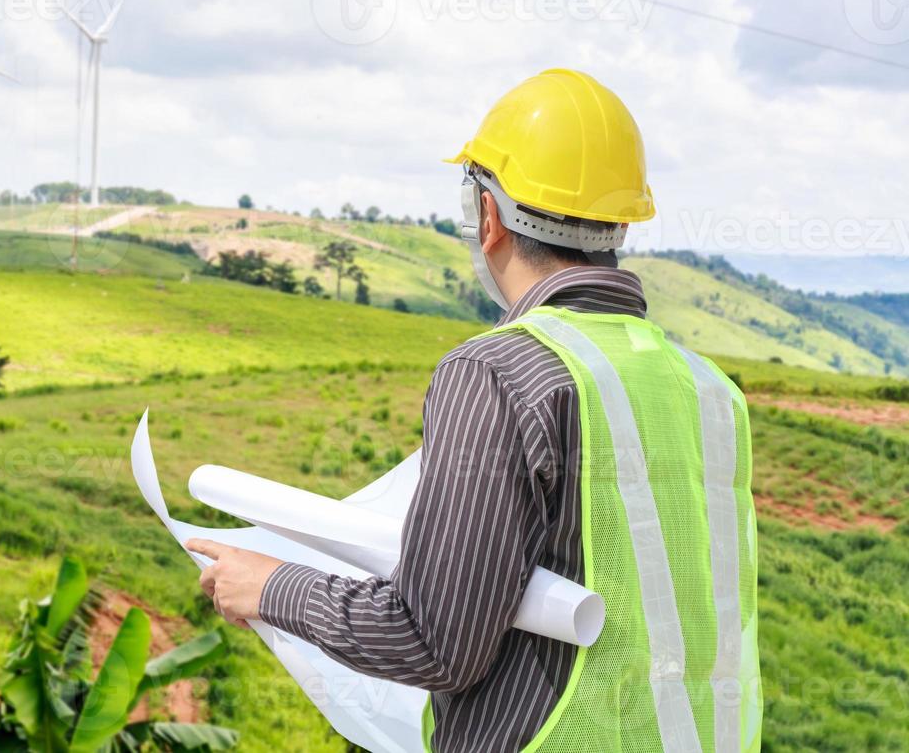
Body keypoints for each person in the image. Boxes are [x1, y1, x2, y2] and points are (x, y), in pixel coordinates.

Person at [188, 69, 761, 752]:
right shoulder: (711, 391)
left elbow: (434, 640)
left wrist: (272, 586)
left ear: (486, 216)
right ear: (619, 224)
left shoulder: (498, 371)